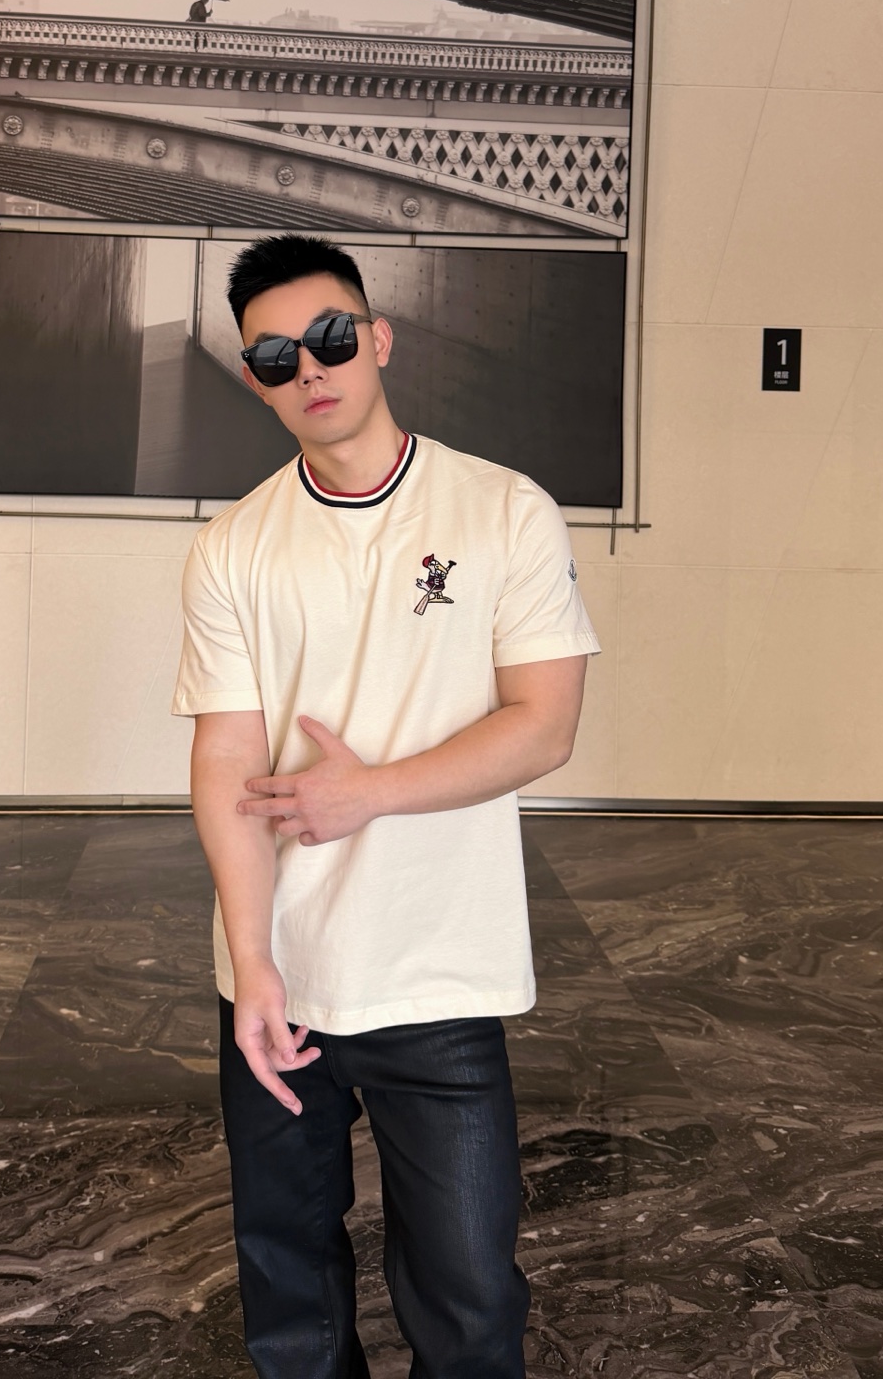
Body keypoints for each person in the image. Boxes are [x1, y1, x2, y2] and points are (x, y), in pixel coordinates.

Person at [173, 233, 599, 1379]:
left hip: (439, 972)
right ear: (256, 380)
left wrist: (368, 794)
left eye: (330, 337)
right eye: (277, 357)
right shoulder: (232, 547)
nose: (310, 368)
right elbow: (226, 758)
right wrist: (252, 966)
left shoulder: (504, 511)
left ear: (379, 339)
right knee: (289, 1300)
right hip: (279, 980)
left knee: (468, 1302)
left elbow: (545, 724)